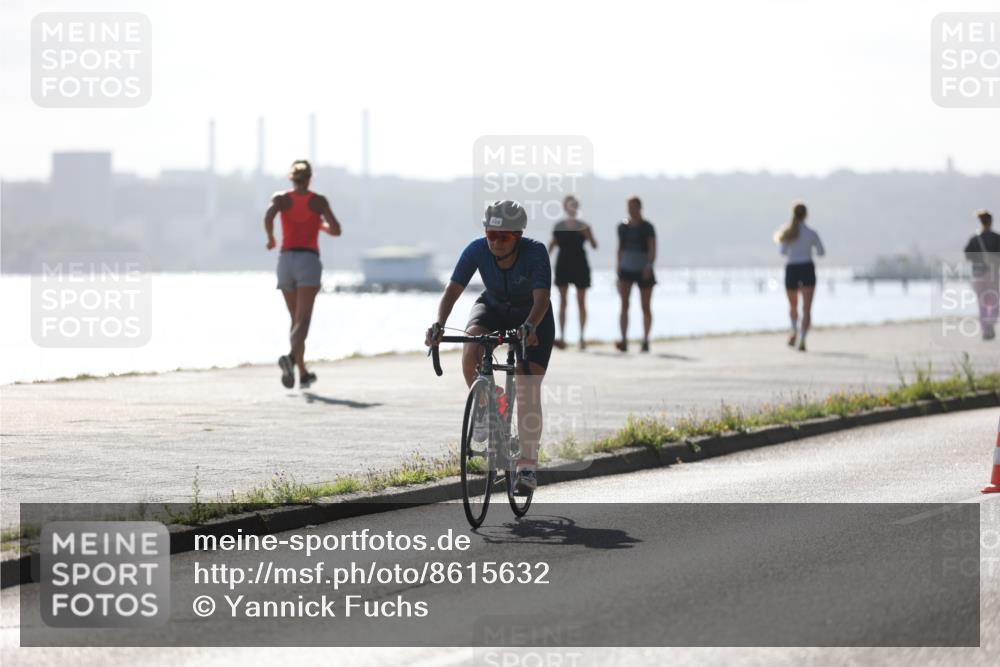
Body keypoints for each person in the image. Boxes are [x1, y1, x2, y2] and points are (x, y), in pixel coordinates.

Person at [425, 200, 554, 493]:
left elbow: (542, 297)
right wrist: (439, 324)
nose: (495, 242)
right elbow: (453, 289)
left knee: (527, 386)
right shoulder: (476, 250)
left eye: (503, 236)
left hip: (533, 314)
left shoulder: (535, 252)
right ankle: (488, 401)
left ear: (518, 236)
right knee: (471, 347)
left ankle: (527, 466)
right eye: (490, 235)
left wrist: (530, 326)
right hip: (493, 306)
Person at [264, 159, 342, 389]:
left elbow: (268, 216)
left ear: (291, 178)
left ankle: (303, 373)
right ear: (309, 178)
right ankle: (289, 358)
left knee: (295, 322)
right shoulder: (318, 201)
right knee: (303, 321)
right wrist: (320, 226)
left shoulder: (281, 198)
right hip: (307, 259)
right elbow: (336, 229)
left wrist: (270, 238)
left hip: (285, 260)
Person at [548, 195, 597, 350]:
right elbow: (552, 245)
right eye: (569, 206)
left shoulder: (584, 226)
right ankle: (562, 337)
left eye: (574, 206)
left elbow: (594, 245)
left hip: (580, 265)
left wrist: (587, 235)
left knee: (581, 302)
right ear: (565, 207)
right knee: (562, 302)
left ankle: (581, 338)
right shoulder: (559, 226)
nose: (572, 209)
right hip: (563, 264)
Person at [775, 202, 824, 352]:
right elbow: (821, 252)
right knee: (807, 308)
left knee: (793, 305)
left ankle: (793, 330)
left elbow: (782, 252)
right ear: (806, 215)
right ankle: (802, 338)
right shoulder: (811, 233)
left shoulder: (787, 233)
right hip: (807, 267)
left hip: (792, 268)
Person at [615, 196, 656, 352]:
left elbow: (652, 248)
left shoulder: (648, 227)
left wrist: (649, 266)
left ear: (640, 208)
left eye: (634, 207)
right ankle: (624, 339)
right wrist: (618, 269)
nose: (631, 210)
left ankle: (645, 339)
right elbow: (620, 248)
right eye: (629, 207)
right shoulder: (622, 227)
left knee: (645, 306)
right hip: (626, 268)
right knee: (624, 304)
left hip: (643, 268)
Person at [963, 209, 1000, 340]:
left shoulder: (974, 239)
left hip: (977, 274)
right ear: (991, 222)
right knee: (994, 300)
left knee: (982, 302)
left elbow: (967, 256)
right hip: (992, 273)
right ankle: (990, 323)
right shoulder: (996, 238)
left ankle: (985, 330)